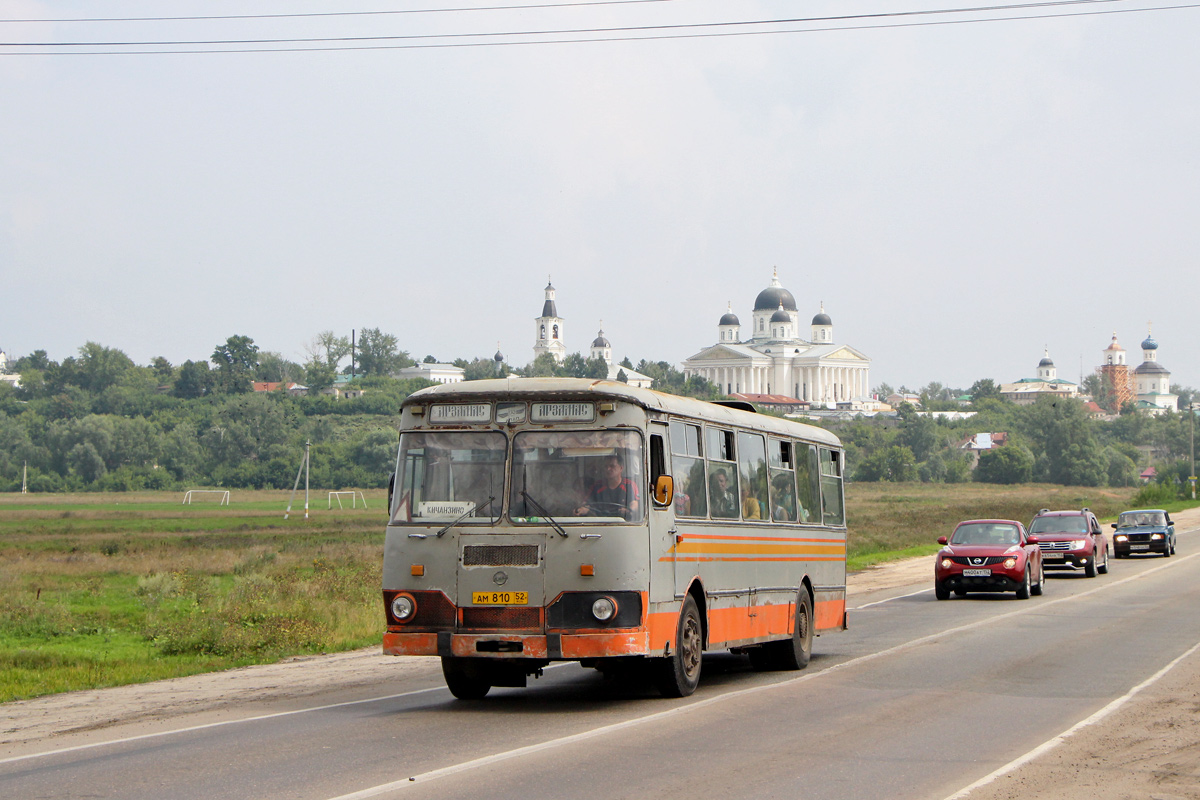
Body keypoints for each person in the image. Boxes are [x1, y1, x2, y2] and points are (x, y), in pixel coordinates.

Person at [576, 454, 640, 519]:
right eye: (606, 466)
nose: (608, 469)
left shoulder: (629, 485)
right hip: (599, 523)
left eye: (612, 466)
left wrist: (629, 510)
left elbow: (635, 503)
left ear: (621, 468)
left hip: (622, 524)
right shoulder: (597, 486)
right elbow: (587, 504)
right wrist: (582, 510)